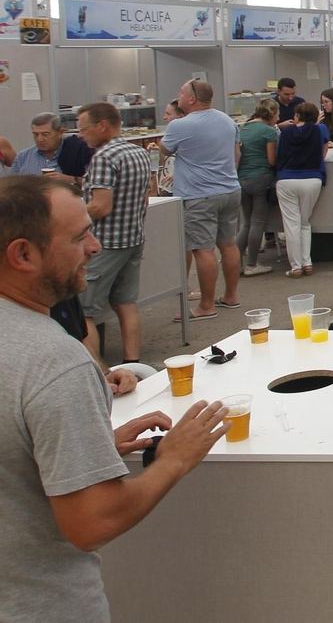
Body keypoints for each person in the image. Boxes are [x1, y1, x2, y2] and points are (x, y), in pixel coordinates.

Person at [0, 174, 228, 622]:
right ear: (23, 254)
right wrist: (173, 459)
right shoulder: (55, 361)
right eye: (81, 235)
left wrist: (87, 450)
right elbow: (93, 522)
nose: (96, 247)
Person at [74, 103, 151, 367]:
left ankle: (96, 370)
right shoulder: (137, 152)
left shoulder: (104, 157)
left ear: (102, 125)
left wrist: (69, 214)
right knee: (126, 304)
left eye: (84, 129)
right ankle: (132, 363)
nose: (81, 135)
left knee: (84, 312)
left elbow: (100, 206)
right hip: (133, 239)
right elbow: (144, 201)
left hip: (105, 244)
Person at [158, 80, 241, 321]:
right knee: (228, 244)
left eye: (181, 93)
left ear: (192, 99)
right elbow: (236, 155)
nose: (179, 96)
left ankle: (206, 305)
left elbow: (164, 149)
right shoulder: (227, 120)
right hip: (229, 189)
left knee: (202, 249)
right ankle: (231, 296)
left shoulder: (179, 125)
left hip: (198, 194)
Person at [275, 102, 330, 278]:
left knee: (292, 224)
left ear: (297, 115)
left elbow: (279, 155)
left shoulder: (286, 132)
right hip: (312, 179)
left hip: (287, 179)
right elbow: (323, 153)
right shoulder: (320, 129)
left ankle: (296, 266)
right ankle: (307, 263)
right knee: (305, 222)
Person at [236, 100, 279, 276]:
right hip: (261, 178)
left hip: (242, 179)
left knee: (246, 223)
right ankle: (252, 264)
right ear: (272, 113)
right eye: (277, 115)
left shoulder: (244, 128)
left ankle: (233, 261)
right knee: (257, 223)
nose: (278, 118)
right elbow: (271, 160)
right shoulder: (269, 132)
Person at [12, 112, 94, 178]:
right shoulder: (23, 158)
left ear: (59, 133)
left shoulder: (78, 152)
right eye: (35, 134)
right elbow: (11, 188)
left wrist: (70, 180)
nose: (39, 139)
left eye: (45, 134)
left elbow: (94, 184)